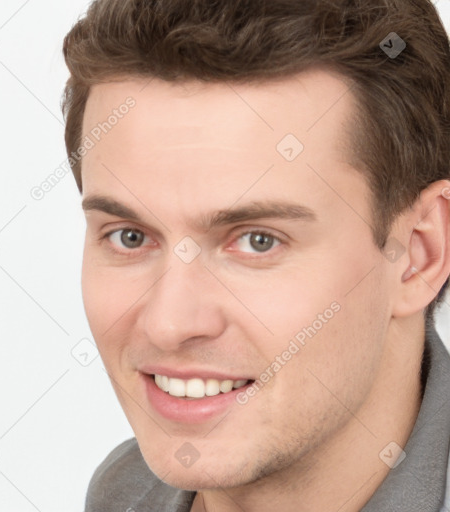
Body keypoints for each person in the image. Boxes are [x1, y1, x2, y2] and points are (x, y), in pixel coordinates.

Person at [61, 0, 450, 510]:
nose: (169, 324)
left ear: (419, 254)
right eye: (129, 236)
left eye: (257, 241)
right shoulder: (123, 494)